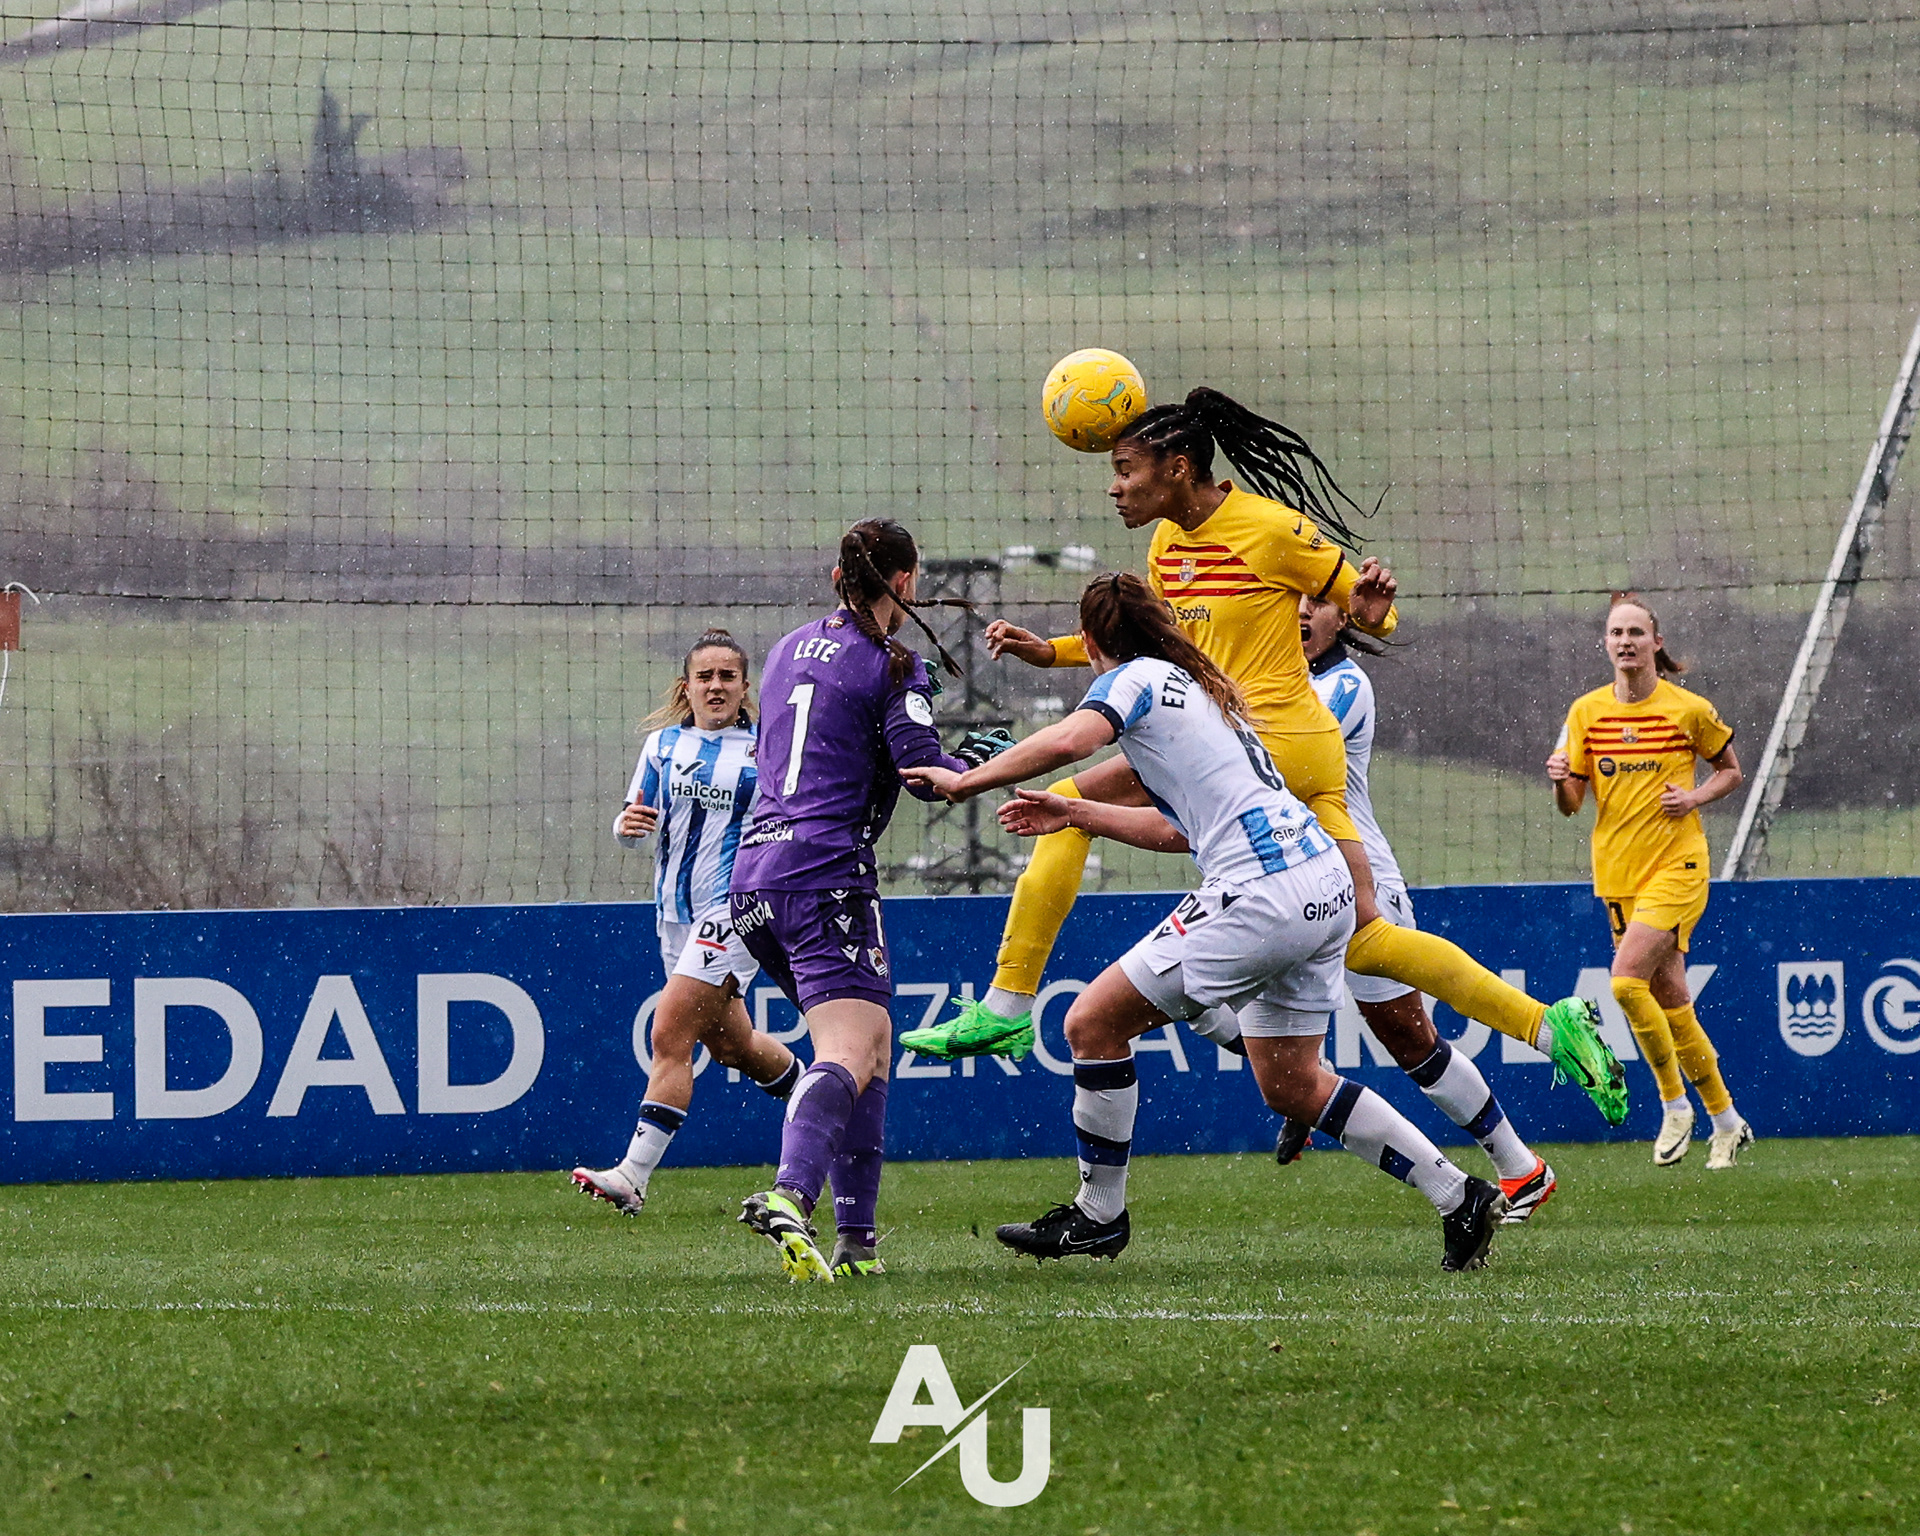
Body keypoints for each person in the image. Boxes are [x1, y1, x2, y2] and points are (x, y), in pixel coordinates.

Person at [903, 386, 1627, 1128]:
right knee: (1367, 936)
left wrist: (1374, 612)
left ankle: (1007, 1005)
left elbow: (1362, 604)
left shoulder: (1273, 528)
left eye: (1124, 470)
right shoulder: (1166, 544)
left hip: (1268, 743)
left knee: (1068, 809)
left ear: (1177, 469)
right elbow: (1161, 637)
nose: (1114, 487)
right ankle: (1549, 1024)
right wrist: (1054, 652)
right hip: (1286, 753)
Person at [905, 572, 1510, 1272]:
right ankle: (1459, 1196)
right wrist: (1076, 812)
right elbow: (1182, 832)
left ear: (1094, 640)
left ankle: (1098, 1215)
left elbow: (1072, 742)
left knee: (1090, 1025)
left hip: (1263, 894)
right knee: (1291, 1082)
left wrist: (964, 781)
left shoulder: (1134, 680)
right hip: (1322, 884)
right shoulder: (1199, 687)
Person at [729, 518, 1008, 1282]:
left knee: (872, 1043)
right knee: (850, 1050)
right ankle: (790, 1196)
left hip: (755, 876)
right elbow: (925, 776)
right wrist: (978, 765)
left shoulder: (786, 649)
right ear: (906, 583)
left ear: (836, 579)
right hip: (824, 871)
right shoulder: (893, 664)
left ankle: (857, 1245)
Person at [1272, 593, 1555, 1220]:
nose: (1302, 613)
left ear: (1342, 617)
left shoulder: (1344, 685)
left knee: (1412, 1042)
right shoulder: (1266, 683)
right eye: (1291, 600)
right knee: (1217, 994)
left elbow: (1276, 762)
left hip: (1361, 887)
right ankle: (1305, 1084)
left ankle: (1520, 1168)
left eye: (1317, 602)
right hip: (1288, 884)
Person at [572, 630, 802, 1216]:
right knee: (732, 1046)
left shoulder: (767, 747)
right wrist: (624, 827)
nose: (716, 686)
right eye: (705, 677)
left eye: (728, 676)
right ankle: (823, 1097)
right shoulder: (662, 745)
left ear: (745, 687)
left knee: (668, 1035)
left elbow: (793, 818)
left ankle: (632, 1175)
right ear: (687, 686)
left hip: (734, 909)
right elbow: (634, 823)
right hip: (673, 913)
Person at [1547, 593, 1752, 1169]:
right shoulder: (1585, 712)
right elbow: (1571, 804)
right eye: (1617, 633)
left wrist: (1693, 797)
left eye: (1636, 632)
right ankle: (1727, 1120)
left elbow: (1732, 771)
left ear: (1656, 643)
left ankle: (1673, 1104)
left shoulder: (1688, 709)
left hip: (1678, 866)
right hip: (1619, 874)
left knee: (1623, 983)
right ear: (1605, 643)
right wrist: (1560, 778)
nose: (1626, 642)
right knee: (1674, 1002)